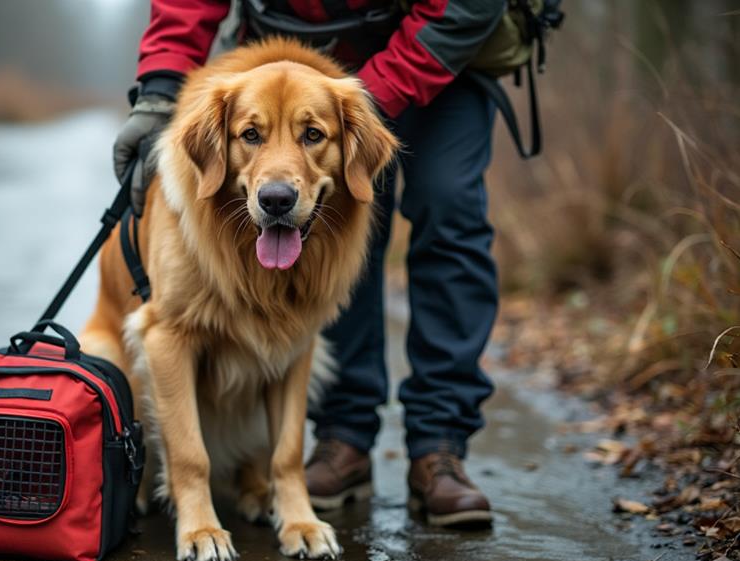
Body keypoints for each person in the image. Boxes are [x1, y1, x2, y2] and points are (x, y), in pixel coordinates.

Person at [114, 0, 504, 527]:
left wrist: (359, 106)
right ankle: (343, 438)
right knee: (322, 230)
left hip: (443, 43)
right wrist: (161, 88)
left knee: (449, 204)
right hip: (293, 46)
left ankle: (441, 446)